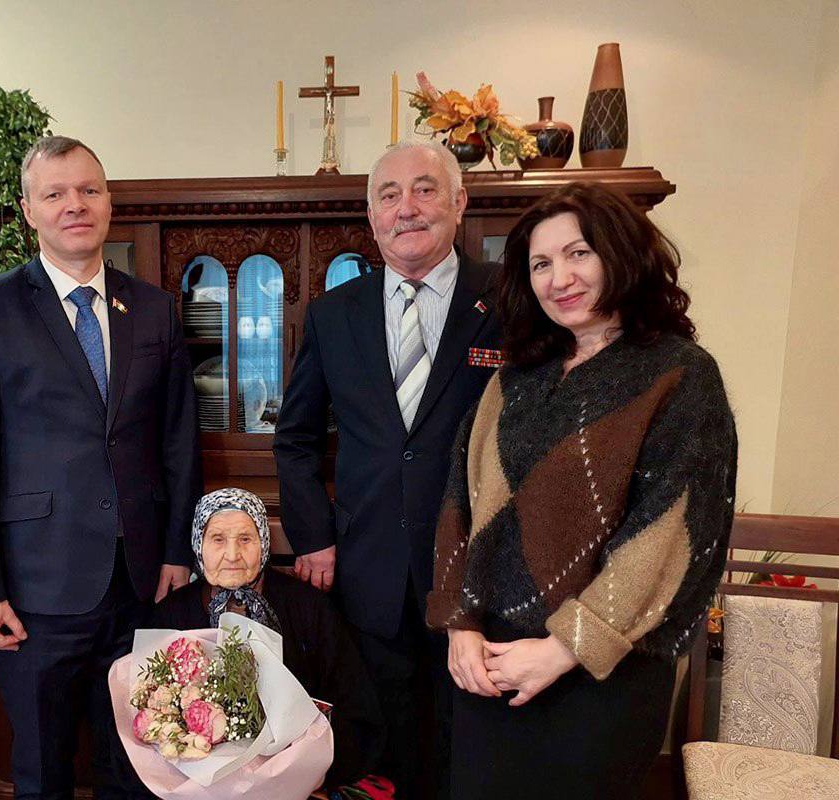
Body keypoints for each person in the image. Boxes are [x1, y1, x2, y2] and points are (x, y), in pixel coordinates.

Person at [427, 182, 738, 798]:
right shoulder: (514, 376)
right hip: (490, 665)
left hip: (601, 675)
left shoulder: (680, 375)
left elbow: (667, 536)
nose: (559, 278)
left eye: (578, 254)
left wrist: (566, 647)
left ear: (620, 254)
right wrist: (459, 624)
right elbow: (461, 499)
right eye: (541, 264)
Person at [0, 135, 201, 799]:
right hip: (34, 589)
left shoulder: (154, 308)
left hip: (140, 582)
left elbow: (177, 440)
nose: (74, 205)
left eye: (88, 190)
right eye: (54, 193)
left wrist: (177, 548)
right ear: (30, 210)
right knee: (42, 773)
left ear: (109, 202)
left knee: (138, 767)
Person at [273, 140, 502, 797]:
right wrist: (314, 537)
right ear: (371, 216)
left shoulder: (510, 298)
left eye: (425, 189)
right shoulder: (332, 313)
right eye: (389, 195)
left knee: (471, 744)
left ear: (459, 202)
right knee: (384, 746)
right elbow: (296, 438)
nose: (408, 208)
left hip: (478, 571)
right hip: (368, 569)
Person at [149, 488, 383, 791]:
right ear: (198, 544)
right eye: (217, 539)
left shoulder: (308, 607)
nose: (232, 555)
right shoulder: (171, 616)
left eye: (246, 539)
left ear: (264, 543)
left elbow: (354, 707)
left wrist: (303, 766)